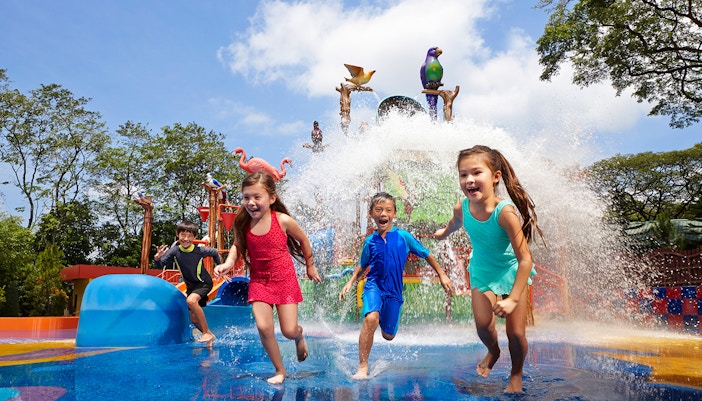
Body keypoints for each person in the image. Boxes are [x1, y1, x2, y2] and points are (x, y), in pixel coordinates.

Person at [433, 145, 544, 393]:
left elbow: (525, 259)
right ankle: (493, 351)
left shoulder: (505, 213)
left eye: (476, 173)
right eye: (463, 175)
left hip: (511, 272)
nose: (469, 180)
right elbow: (455, 223)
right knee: (483, 325)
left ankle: (516, 374)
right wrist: (443, 233)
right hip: (482, 271)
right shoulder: (462, 207)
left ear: (495, 177)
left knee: (515, 333)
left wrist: (514, 298)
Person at [214, 171, 322, 384]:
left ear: (271, 198)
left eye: (257, 197)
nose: (251, 202)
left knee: (288, 330)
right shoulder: (243, 223)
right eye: (246, 197)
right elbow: (238, 246)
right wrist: (227, 263)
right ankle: (280, 370)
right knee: (264, 327)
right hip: (259, 281)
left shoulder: (282, 220)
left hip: (284, 280)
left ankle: (299, 336)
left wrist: (310, 266)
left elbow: (303, 240)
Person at [339, 192, 454, 379]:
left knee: (388, 335)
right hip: (374, 286)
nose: (383, 213)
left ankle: (386, 318)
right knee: (371, 319)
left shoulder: (404, 237)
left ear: (394, 214)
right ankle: (362, 366)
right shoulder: (370, 241)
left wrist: (442, 274)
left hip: (394, 291)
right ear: (371, 214)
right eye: (378, 210)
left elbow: (426, 253)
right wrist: (351, 282)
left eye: (388, 210)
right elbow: (363, 264)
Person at [154, 220, 222, 347]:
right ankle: (210, 337)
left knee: (191, 301)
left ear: (195, 237)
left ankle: (206, 333)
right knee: (194, 319)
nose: (186, 239)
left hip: (204, 284)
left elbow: (214, 252)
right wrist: (157, 258)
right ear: (177, 235)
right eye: (183, 235)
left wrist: (220, 267)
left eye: (190, 236)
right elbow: (159, 265)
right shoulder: (175, 251)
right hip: (191, 287)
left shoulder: (198, 250)